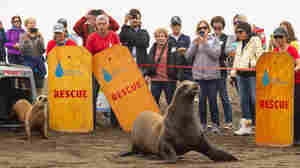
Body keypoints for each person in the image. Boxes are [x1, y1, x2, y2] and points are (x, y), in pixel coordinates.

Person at [185, 20, 221, 133]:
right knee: (201, 101)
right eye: (200, 28)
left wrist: (205, 42)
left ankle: (215, 124)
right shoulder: (194, 41)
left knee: (213, 101)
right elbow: (188, 56)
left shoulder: (215, 40)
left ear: (208, 29)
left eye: (204, 28)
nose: (202, 30)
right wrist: (195, 44)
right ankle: (203, 124)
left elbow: (216, 55)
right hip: (199, 76)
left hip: (212, 76)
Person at [85, 15, 120, 128]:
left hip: (111, 71)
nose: (101, 26)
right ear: (96, 25)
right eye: (99, 24)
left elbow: (118, 51)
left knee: (115, 96)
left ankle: (115, 122)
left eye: (104, 23)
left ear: (108, 24)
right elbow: (87, 55)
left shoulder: (114, 36)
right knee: (93, 96)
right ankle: (92, 122)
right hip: (96, 71)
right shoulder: (91, 37)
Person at [230, 22, 264, 136]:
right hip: (240, 75)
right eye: (236, 32)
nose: (238, 34)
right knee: (244, 101)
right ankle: (247, 127)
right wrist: (232, 74)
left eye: (240, 32)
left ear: (247, 31)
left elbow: (260, 56)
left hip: (252, 75)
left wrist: (252, 63)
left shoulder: (255, 40)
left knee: (254, 100)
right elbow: (237, 59)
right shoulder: (239, 43)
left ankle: (259, 124)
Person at [272, 27, 300, 145]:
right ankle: (285, 135)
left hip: (295, 83)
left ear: (285, 37)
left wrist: (292, 71)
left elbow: (299, 64)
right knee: (283, 110)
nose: (278, 39)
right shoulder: (275, 52)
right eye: (276, 37)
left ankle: (297, 137)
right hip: (282, 84)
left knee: (296, 110)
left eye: (280, 37)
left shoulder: (292, 50)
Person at [144, 28, 184, 105]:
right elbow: (150, 63)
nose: (160, 38)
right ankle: (155, 117)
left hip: (169, 80)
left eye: (162, 36)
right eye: (158, 36)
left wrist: (179, 78)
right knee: (153, 104)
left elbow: (178, 63)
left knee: (171, 103)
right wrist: (147, 74)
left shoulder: (172, 48)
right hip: (155, 80)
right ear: (155, 38)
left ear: (166, 37)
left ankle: (171, 117)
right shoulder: (153, 48)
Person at [211, 16, 233, 129]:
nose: (217, 27)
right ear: (212, 25)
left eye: (219, 25)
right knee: (212, 97)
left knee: (224, 96)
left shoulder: (227, 37)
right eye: (215, 25)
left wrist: (217, 52)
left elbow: (226, 53)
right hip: (210, 71)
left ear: (222, 25)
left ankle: (229, 121)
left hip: (221, 70)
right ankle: (215, 122)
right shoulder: (209, 37)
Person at [19, 17, 46, 96]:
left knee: (39, 87)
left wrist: (40, 38)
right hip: (28, 64)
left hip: (39, 64)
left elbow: (42, 50)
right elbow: (22, 50)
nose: (32, 25)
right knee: (28, 88)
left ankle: (39, 104)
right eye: (30, 23)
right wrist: (26, 39)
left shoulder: (39, 35)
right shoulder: (23, 36)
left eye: (34, 23)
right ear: (26, 25)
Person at [119, 8, 150, 74]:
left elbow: (144, 43)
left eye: (136, 18)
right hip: (127, 65)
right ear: (129, 19)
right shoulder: (125, 29)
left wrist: (129, 40)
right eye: (132, 18)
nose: (134, 20)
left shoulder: (144, 32)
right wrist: (125, 23)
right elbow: (121, 39)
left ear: (140, 20)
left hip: (141, 66)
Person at [168, 16, 192, 80]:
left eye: (178, 25)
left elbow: (190, 54)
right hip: (171, 73)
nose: (176, 27)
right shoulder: (167, 39)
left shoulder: (187, 38)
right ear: (170, 26)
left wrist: (185, 52)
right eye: (174, 25)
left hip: (185, 73)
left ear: (181, 26)